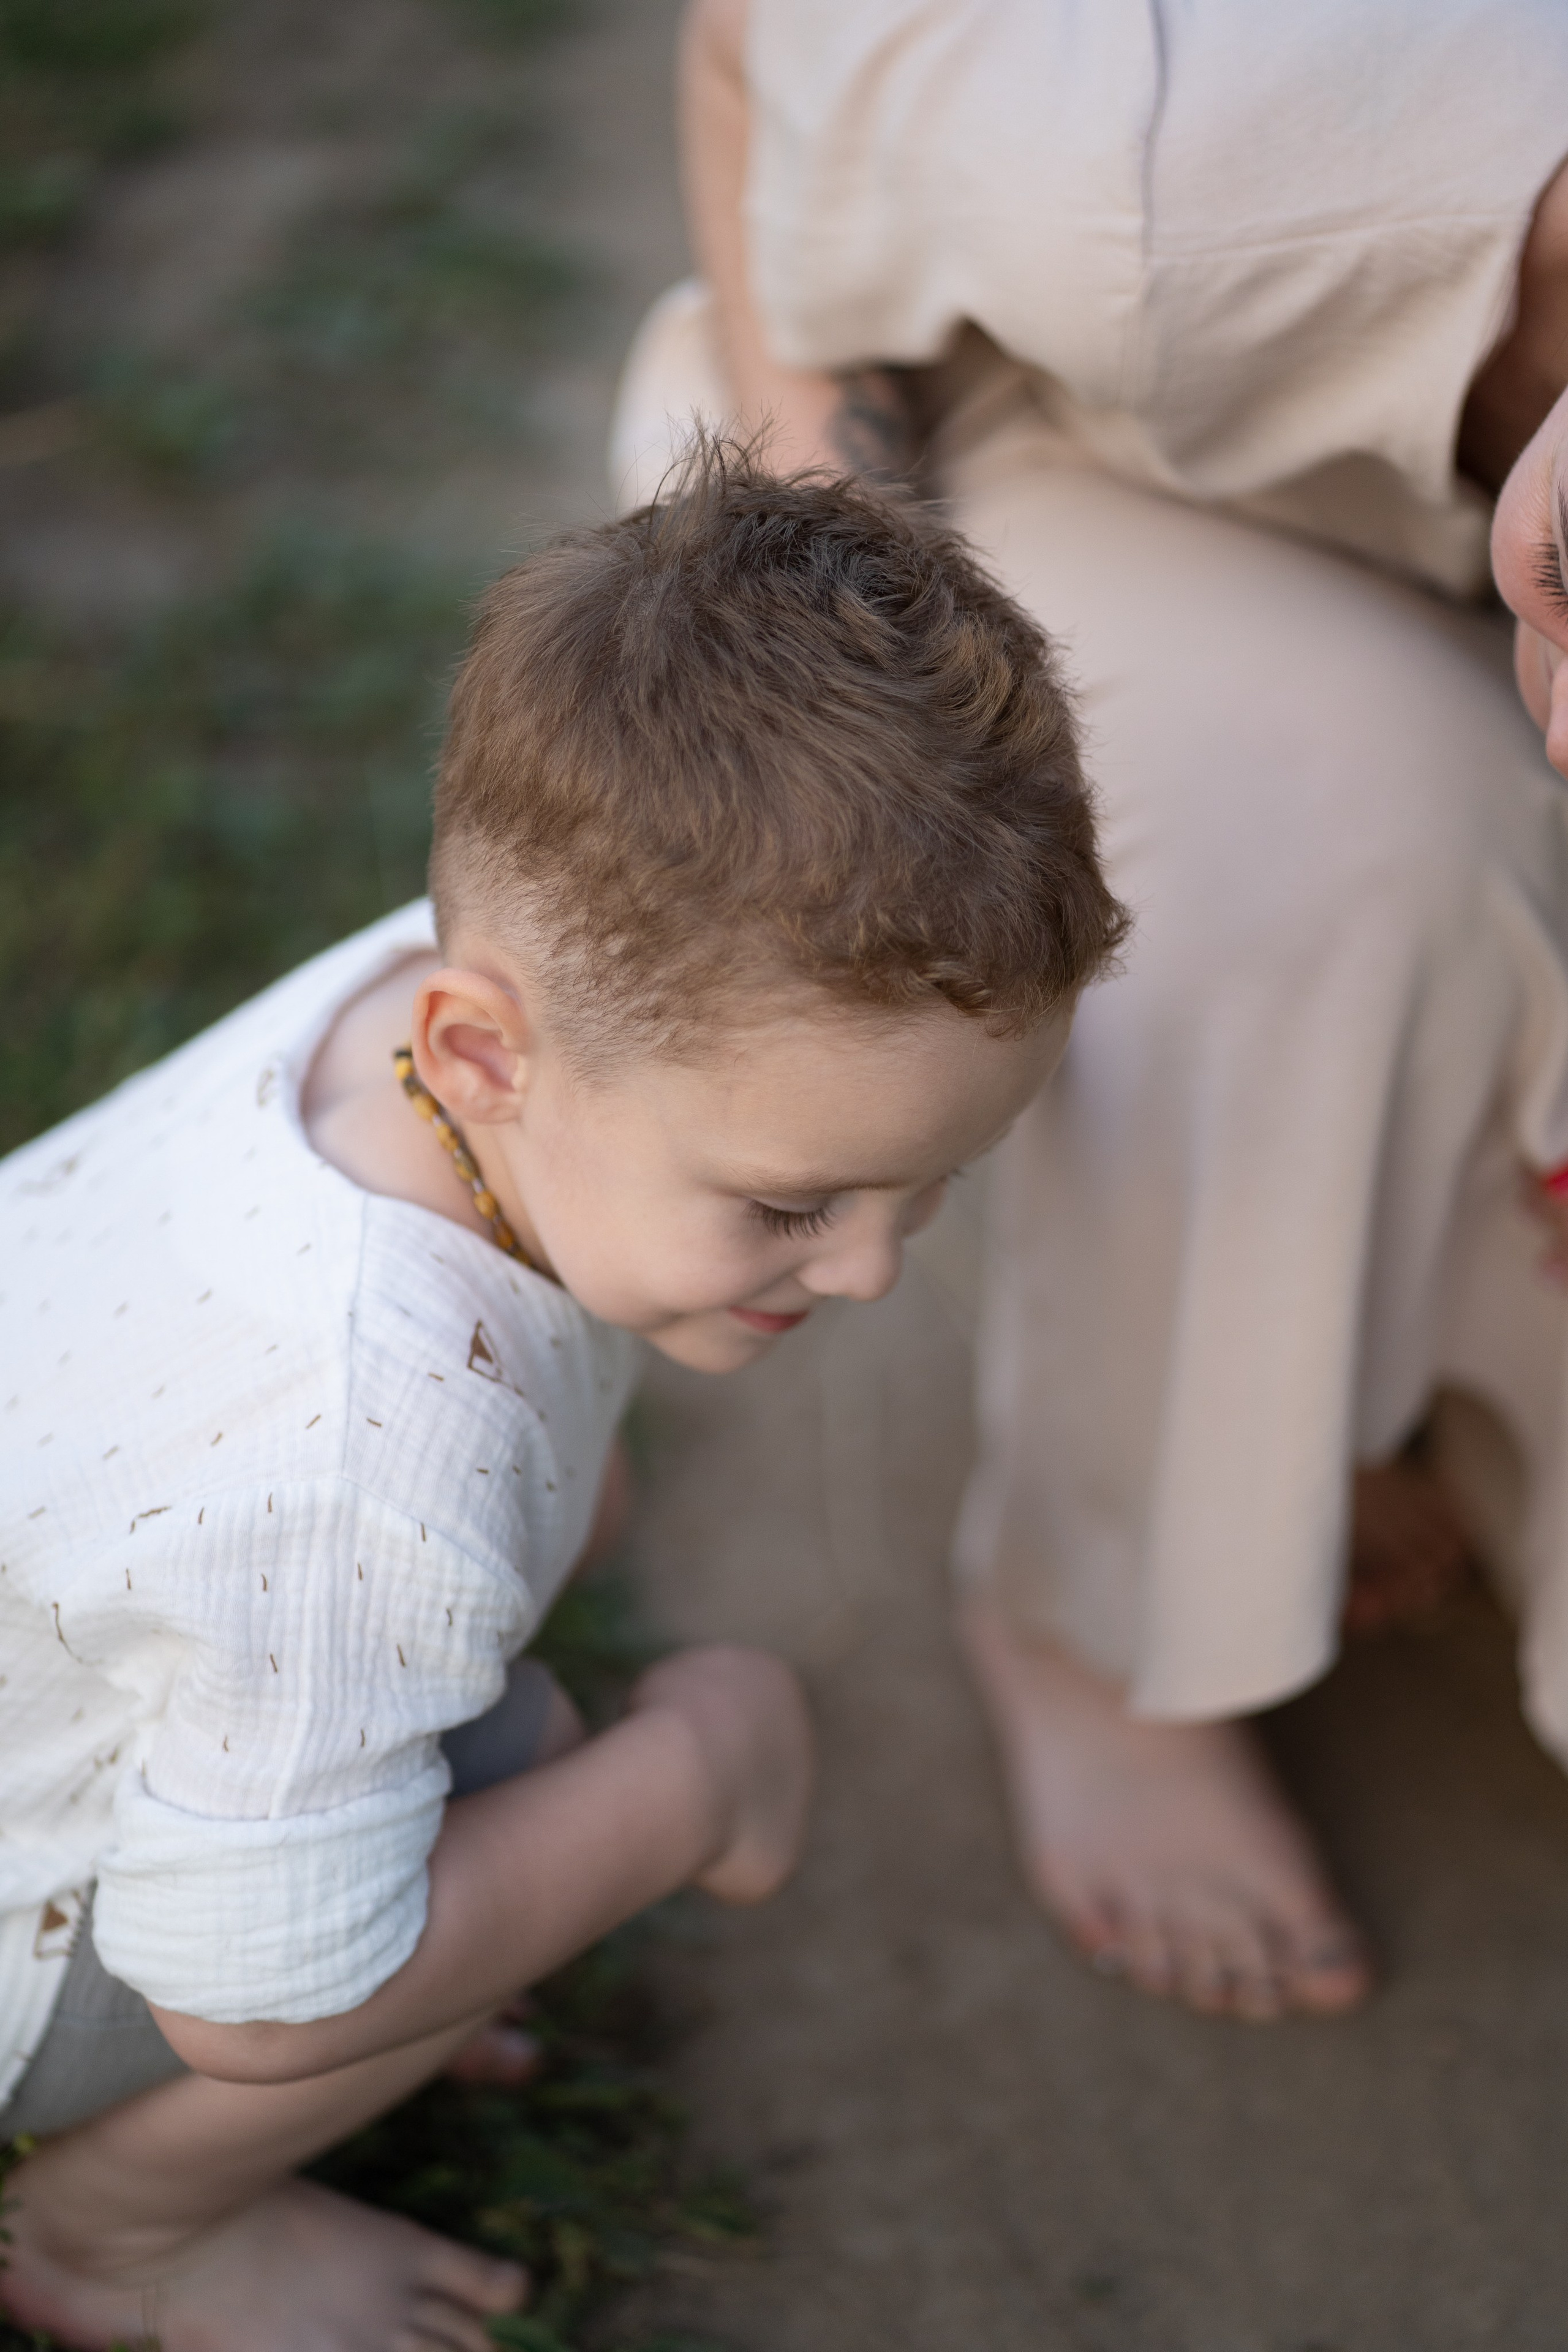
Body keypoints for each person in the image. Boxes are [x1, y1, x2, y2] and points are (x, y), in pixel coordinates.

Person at [0, 447, 1124, 2351]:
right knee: (530, 1774)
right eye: (792, 1203)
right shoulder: (362, 1468)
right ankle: (120, 2232)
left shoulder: (429, 1027)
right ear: (487, 1049)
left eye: (934, 1183)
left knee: (469, 1760)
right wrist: (699, 1782)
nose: (870, 1267)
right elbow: (253, 2003)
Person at [611, 0, 1568, 2024]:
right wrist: (848, 645)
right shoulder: (1169, 164)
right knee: (1268, 866)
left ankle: (1391, 1377)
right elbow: (753, 39)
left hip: (1411, 456)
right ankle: (1103, 1615)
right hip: (1022, 424)